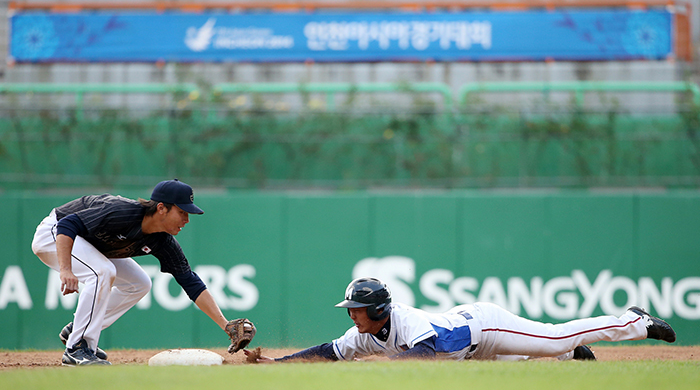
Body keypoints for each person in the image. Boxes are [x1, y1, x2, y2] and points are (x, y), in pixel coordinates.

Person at [31, 179, 235, 366]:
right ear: (162, 208)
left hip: (87, 245)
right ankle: (77, 348)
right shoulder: (121, 211)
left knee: (139, 283)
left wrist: (227, 327)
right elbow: (68, 224)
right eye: (182, 212)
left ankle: (77, 330)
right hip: (55, 233)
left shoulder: (162, 241)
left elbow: (190, 282)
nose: (187, 219)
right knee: (102, 271)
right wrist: (66, 269)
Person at [246, 277, 676, 363]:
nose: (352, 316)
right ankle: (569, 359)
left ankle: (633, 321)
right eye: (350, 310)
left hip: (482, 329)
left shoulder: (408, 323)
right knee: (525, 365)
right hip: (469, 354)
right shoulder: (363, 335)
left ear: (378, 310)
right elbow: (328, 352)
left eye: (357, 309)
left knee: (551, 339)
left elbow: (427, 356)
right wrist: (278, 366)